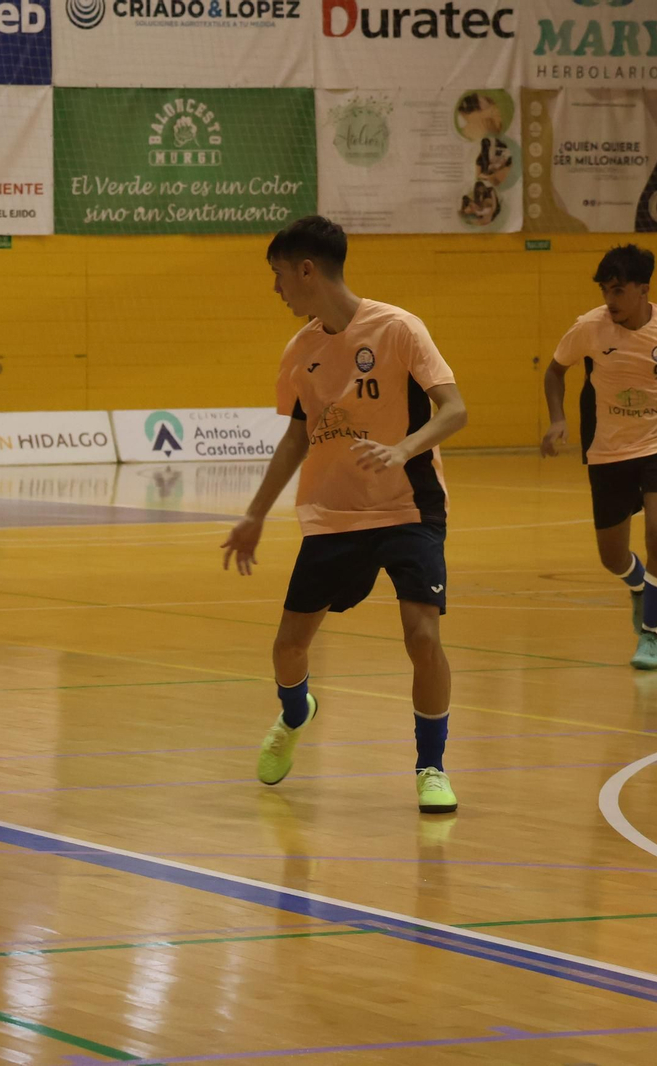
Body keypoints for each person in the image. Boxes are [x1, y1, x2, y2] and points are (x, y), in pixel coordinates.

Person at [221, 216, 469, 814]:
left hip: (408, 507)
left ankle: (431, 766)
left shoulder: (399, 328)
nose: (276, 288)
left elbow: (454, 409)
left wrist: (403, 449)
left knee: (422, 635)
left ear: (307, 269)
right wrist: (254, 515)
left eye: (278, 274)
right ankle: (294, 711)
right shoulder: (301, 351)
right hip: (334, 514)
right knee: (287, 648)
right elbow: (295, 438)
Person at [541, 244, 657, 669]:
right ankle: (639, 585)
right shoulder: (589, 327)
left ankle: (651, 636)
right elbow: (554, 370)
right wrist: (556, 419)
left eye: (618, 291)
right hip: (609, 448)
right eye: (606, 290)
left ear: (643, 291)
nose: (610, 300)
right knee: (612, 556)